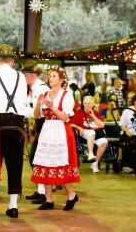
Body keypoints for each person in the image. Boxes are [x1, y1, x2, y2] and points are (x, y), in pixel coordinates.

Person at [0, 45, 28, 219]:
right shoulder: (21, 77)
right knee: (15, 164)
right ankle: (13, 206)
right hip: (17, 123)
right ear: (13, 60)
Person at [31, 68, 80, 211]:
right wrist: (39, 104)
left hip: (61, 131)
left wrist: (52, 107)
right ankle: (48, 199)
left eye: (54, 76)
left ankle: (71, 194)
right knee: (45, 163)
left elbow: (66, 117)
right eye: (49, 76)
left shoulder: (67, 95)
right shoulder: (44, 94)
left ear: (61, 79)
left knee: (60, 165)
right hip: (47, 130)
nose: (50, 78)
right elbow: (36, 116)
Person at [22, 60, 50, 204]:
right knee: (36, 159)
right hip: (39, 124)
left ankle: (44, 192)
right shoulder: (34, 88)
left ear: (31, 75)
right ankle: (41, 191)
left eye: (25, 75)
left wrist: (25, 113)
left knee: (37, 158)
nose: (24, 78)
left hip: (44, 124)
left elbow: (42, 111)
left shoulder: (41, 88)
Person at [71, 95, 108, 173]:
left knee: (104, 142)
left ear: (92, 104)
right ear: (83, 104)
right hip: (84, 133)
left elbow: (102, 125)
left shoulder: (96, 113)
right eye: (85, 103)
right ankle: (90, 154)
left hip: (97, 134)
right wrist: (79, 128)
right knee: (91, 132)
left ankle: (95, 163)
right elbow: (71, 124)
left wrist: (93, 116)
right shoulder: (79, 113)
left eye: (89, 103)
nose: (87, 105)